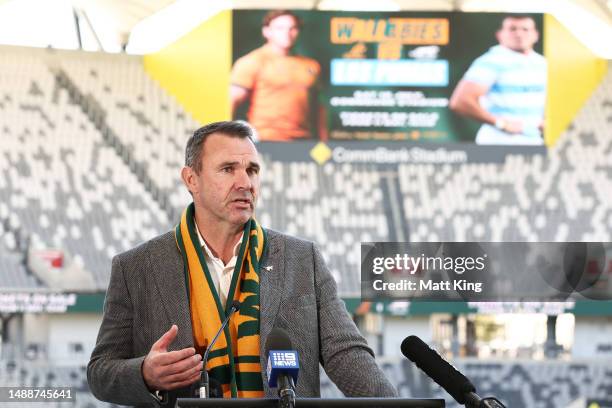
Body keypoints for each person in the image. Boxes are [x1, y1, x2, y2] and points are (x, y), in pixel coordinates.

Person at [87, 121, 395, 406]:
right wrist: (144, 373)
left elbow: (347, 354)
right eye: (228, 169)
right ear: (191, 179)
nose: (244, 182)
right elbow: (101, 372)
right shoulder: (136, 267)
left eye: (252, 170)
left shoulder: (303, 259)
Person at [230, 10, 327, 142]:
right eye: (279, 28)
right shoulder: (252, 61)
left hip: (303, 142)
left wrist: (325, 141)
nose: (286, 33)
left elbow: (320, 108)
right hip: (264, 141)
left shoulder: (311, 65)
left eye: (292, 28)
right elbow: (231, 101)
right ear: (266, 31)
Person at [449, 15, 547, 145]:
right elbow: (460, 102)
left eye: (525, 29)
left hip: (533, 141)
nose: (519, 34)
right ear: (500, 35)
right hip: (498, 142)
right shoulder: (490, 61)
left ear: (535, 35)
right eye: (512, 29)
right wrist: (501, 123)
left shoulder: (542, 63)